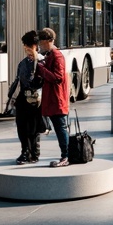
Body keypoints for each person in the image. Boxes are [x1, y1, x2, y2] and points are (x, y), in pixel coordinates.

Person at [36, 27, 72, 168]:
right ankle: (65, 155)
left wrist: (41, 68)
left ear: (50, 41)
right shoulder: (50, 55)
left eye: (43, 43)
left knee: (60, 127)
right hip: (53, 98)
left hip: (57, 98)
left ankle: (66, 156)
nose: (41, 45)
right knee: (59, 127)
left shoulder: (57, 56)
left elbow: (57, 77)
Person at [9, 30, 47, 164]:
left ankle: (34, 153)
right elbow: (19, 80)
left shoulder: (42, 61)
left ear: (35, 45)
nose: (26, 48)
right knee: (21, 125)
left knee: (34, 127)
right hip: (23, 97)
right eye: (25, 45)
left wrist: (35, 60)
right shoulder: (22, 62)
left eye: (28, 45)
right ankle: (24, 151)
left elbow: (39, 80)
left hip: (37, 99)